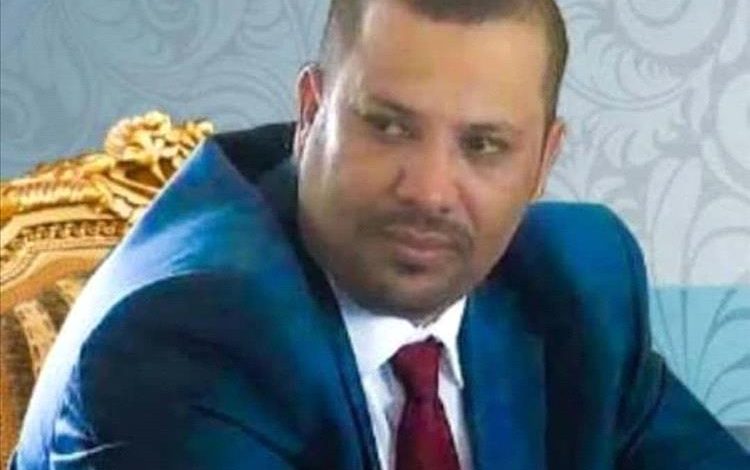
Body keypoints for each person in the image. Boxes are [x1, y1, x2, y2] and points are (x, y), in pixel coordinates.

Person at [11, 0, 748, 468]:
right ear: (311, 112)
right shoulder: (184, 336)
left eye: (483, 145)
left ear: (543, 161)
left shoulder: (578, 284)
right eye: (389, 127)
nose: (428, 191)